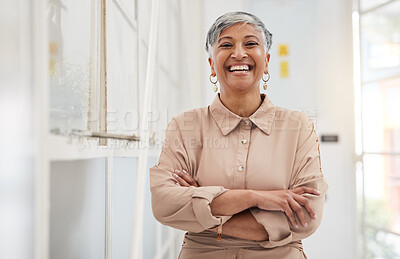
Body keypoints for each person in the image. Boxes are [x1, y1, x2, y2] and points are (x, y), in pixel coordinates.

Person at [150, 11, 328, 258]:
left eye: (251, 43)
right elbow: (164, 204)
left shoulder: (298, 127)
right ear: (212, 65)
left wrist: (203, 208)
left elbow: (307, 216)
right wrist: (258, 198)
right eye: (226, 45)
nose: (239, 53)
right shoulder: (184, 126)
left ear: (266, 61)